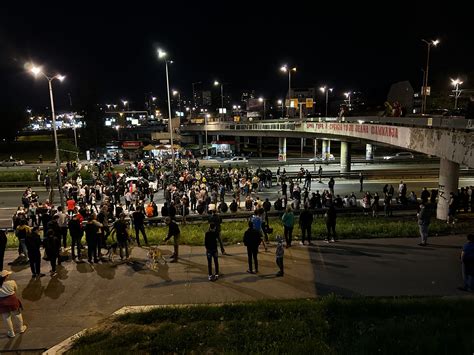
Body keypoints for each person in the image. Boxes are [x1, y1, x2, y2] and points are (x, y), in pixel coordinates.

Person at [0, 270, 27, 338]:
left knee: (6, 317)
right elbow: (16, 289)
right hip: (12, 300)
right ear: (6, 276)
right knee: (17, 314)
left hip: (2, 302)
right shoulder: (12, 282)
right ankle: (21, 328)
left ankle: (11, 332)